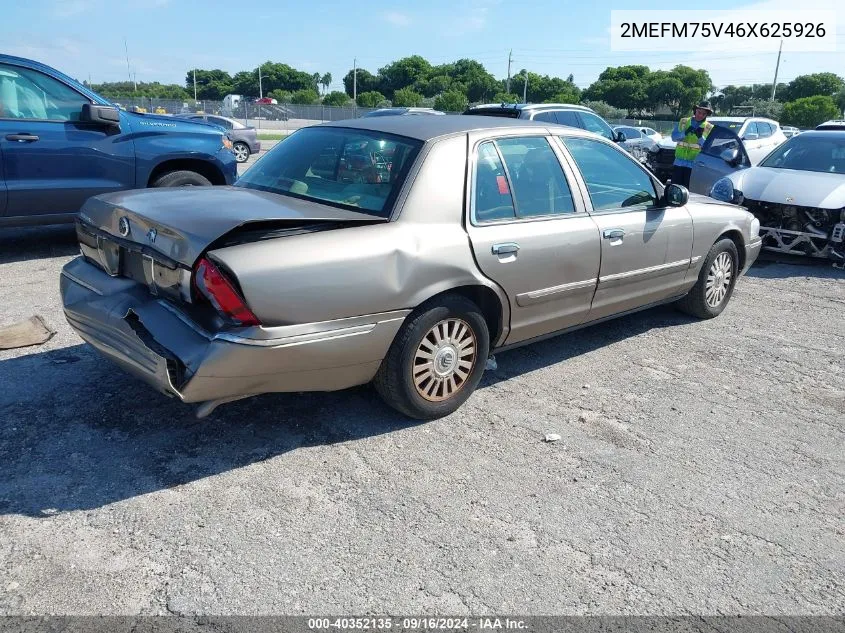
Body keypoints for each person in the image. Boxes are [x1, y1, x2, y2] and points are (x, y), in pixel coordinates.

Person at [670, 101, 715, 188]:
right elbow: (673, 137)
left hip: (695, 165)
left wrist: (700, 138)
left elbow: (709, 148)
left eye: (703, 114)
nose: (700, 115)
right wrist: (684, 133)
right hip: (679, 162)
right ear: (695, 111)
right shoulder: (683, 121)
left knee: (689, 190)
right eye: (699, 112)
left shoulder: (709, 127)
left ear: (707, 115)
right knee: (675, 188)